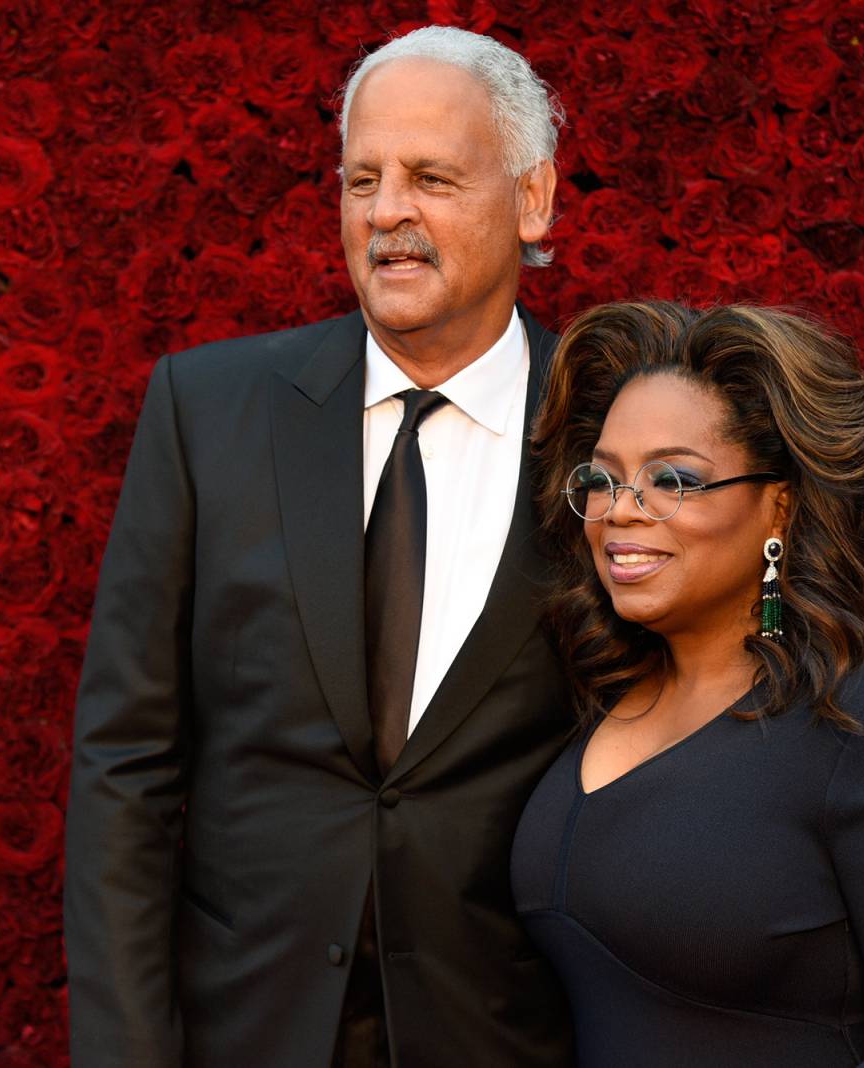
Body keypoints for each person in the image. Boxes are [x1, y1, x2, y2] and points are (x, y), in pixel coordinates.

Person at [65, 26, 576, 1068]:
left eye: (432, 177)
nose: (388, 212)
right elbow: (126, 765)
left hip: (513, 1038)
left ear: (532, 199)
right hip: (247, 1029)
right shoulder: (206, 413)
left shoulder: (610, 423)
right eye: (361, 180)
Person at [511, 301, 864, 1066]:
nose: (620, 512)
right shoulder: (602, 695)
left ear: (779, 506)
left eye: (673, 479)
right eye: (602, 478)